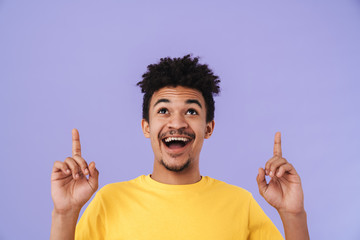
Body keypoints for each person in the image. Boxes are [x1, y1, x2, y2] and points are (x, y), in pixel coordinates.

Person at [50, 55, 309, 240]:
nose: (177, 122)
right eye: (163, 110)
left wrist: (293, 214)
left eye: (191, 111)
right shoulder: (108, 202)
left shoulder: (241, 204)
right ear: (146, 127)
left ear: (208, 128)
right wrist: (65, 213)